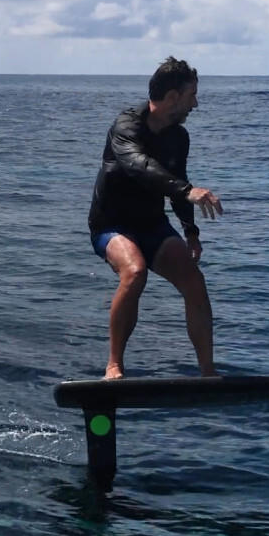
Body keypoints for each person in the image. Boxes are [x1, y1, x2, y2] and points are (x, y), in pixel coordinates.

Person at [87, 56, 224, 380]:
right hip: (111, 226)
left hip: (152, 225)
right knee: (134, 272)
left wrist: (191, 232)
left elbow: (177, 182)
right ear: (173, 97)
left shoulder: (178, 137)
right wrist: (188, 190)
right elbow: (138, 165)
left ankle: (208, 372)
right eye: (192, 95)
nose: (196, 103)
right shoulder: (126, 126)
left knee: (193, 279)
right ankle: (114, 366)